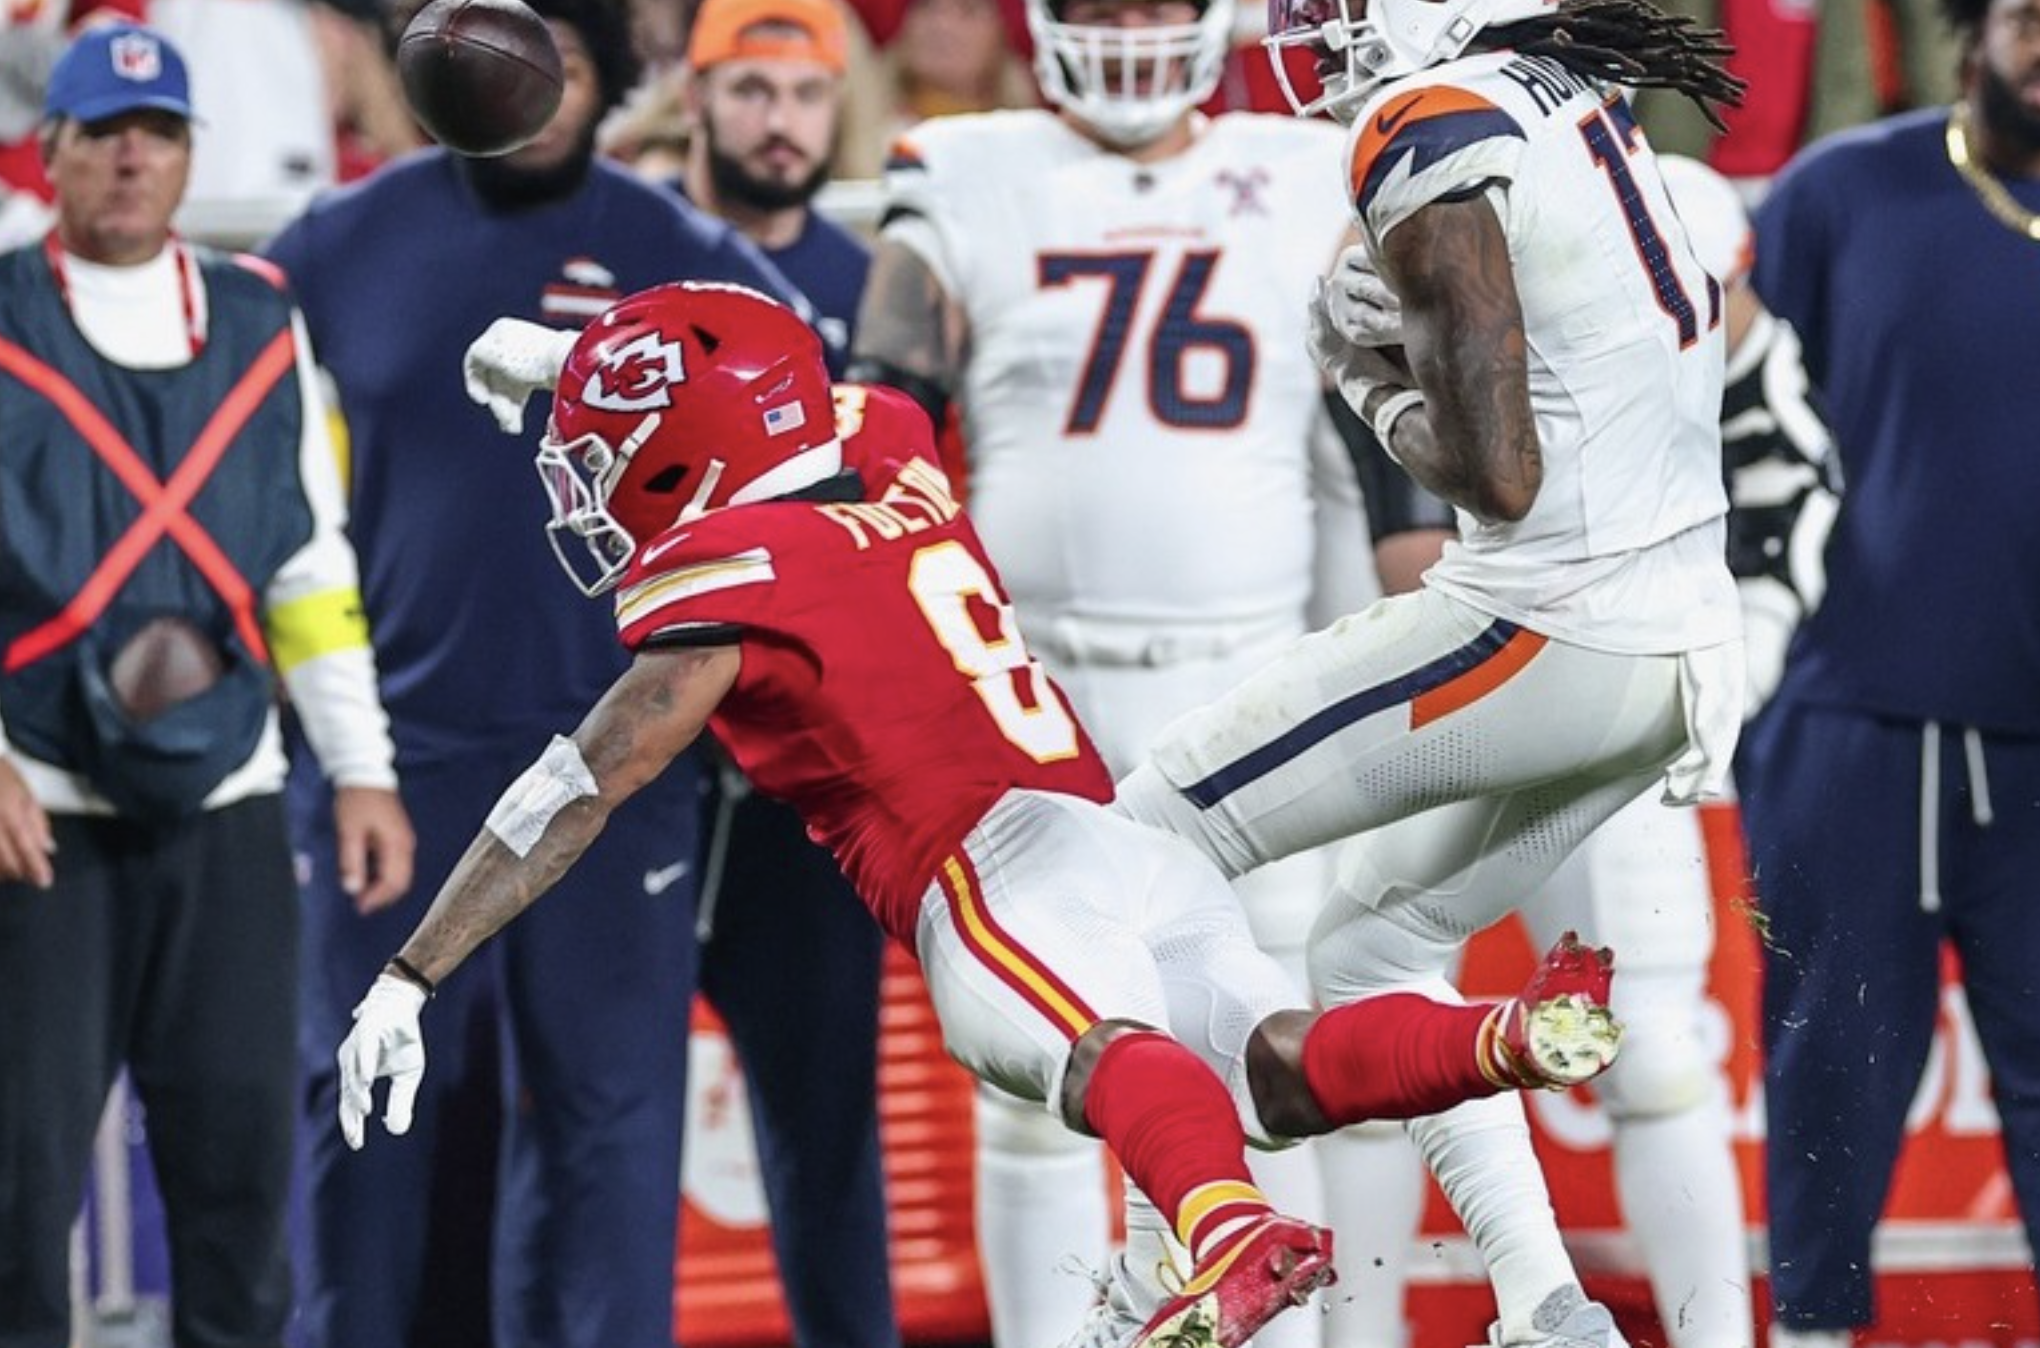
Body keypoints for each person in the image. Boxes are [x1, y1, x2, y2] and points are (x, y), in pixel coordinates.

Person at [342, 278, 1631, 1348]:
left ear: (696, 449)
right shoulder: (885, 440)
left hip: (990, 876)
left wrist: (411, 972)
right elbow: (766, 389)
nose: (590, 487)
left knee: (1105, 1058)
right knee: (1273, 1069)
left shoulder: (735, 586)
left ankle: (1230, 1228)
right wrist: (564, 361)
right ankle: (1502, 1034)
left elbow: (579, 787)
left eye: (607, 456)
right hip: (1119, 840)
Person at [1095, 6, 1750, 1348]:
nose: (1318, 28)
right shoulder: (1564, 89)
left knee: (1138, 839)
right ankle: (1547, 1305)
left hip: (1548, 620)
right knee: (1370, 949)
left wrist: (1367, 379)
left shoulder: (1428, 120)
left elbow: (1498, 474)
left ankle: (1181, 1257)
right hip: (1677, 642)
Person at [842, 2, 1411, 1343]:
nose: (1129, 22)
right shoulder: (967, 164)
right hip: (1036, 698)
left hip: (1251, 686)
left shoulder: (1301, 169)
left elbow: (1387, 448)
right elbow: (881, 413)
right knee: (1043, 1078)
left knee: (1269, 1061)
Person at [261, 2, 815, 1344]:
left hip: (618, 754)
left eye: (559, 54)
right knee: (362, 1110)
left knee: (608, 1125)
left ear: (607, 71)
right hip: (393, 763)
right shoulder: (333, 247)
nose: (532, 83)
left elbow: (806, 449)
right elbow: (236, 450)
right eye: (499, 51)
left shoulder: (685, 258)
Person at [1330, 152, 1844, 1348]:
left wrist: (1734, 648)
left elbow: (1788, 466)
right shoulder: (1426, 204)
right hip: (1429, 684)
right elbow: (1404, 548)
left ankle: (1713, 1335)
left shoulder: (1677, 211)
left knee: (1653, 1050)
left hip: (1607, 690)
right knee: (1368, 1047)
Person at [0, 23, 413, 1348]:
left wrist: (362, 770)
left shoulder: (259, 323)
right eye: (103, 133)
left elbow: (309, 568)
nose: (132, 157)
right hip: (39, 813)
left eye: (159, 133)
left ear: (189, 155)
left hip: (228, 801)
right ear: (51, 150)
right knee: (17, 1199)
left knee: (239, 1190)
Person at [1736, 1, 2040, 1342]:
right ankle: (1811, 1331)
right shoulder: (1836, 194)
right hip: (1850, 720)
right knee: (1831, 1071)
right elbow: (1724, 427)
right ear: (1972, 32)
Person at [669, 5, 904, 1347]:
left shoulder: (873, 288)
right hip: (645, 757)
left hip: (806, 772)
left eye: (806, 95)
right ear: (696, 98)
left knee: (828, 1127)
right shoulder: (630, 257)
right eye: (750, 89)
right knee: (593, 1119)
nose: (779, 123)